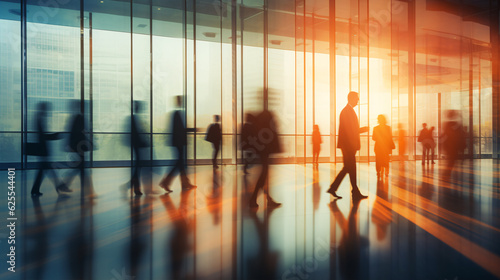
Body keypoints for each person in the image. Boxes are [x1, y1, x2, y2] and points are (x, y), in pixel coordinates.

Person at [326, 91, 369, 200]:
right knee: (350, 168)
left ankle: (339, 189)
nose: (358, 100)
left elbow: (350, 130)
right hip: (348, 146)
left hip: (348, 146)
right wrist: (363, 129)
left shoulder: (347, 111)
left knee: (348, 168)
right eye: (357, 98)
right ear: (351, 98)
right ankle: (353, 191)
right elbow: (350, 130)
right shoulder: (347, 111)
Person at [159, 96, 196, 193]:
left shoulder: (177, 114)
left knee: (180, 164)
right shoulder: (177, 114)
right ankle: (166, 182)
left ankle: (184, 183)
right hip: (179, 143)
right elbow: (180, 130)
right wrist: (193, 130)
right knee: (178, 163)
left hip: (179, 143)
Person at [29, 102, 65, 196]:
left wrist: (54, 136)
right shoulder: (39, 119)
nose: (48, 111)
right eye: (47, 109)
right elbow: (43, 136)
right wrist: (55, 136)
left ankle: (36, 189)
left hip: (42, 149)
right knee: (47, 168)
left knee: (43, 170)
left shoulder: (38, 118)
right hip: (42, 149)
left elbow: (41, 136)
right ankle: (59, 186)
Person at [61, 100, 95, 197]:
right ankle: (89, 192)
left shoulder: (75, 118)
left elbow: (75, 134)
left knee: (79, 168)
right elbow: (80, 134)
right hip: (80, 148)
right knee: (82, 169)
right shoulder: (80, 118)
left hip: (78, 148)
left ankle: (64, 185)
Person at [248, 109, 281, 208]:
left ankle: (267, 199)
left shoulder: (260, 131)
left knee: (263, 177)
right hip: (265, 153)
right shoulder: (265, 134)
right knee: (263, 177)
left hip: (263, 152)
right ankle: (255, 199)